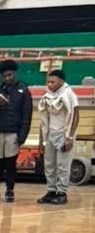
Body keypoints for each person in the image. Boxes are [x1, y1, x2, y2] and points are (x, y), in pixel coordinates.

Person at [0, 61, 32, 203]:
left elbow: (27, 115)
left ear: (14, 74)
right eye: (5, 76)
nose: (7, 78)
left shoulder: (23, 90)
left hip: (12, 133)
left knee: (10, 164)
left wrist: (22, 136)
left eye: (10, 75)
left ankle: (10, 191)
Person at [37, 67, 80, 206]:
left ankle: (61, 193)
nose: (49, 85)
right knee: (49, 165)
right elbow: (43, 119)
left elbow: (75, 116)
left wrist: (70, 137)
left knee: (63, 165)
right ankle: (51, 191)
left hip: (63, 134)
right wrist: (41, 141)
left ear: (61, 81)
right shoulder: (47, 96)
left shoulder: (69, 94)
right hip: (50, 134)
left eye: (52, 82)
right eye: (48, 82)